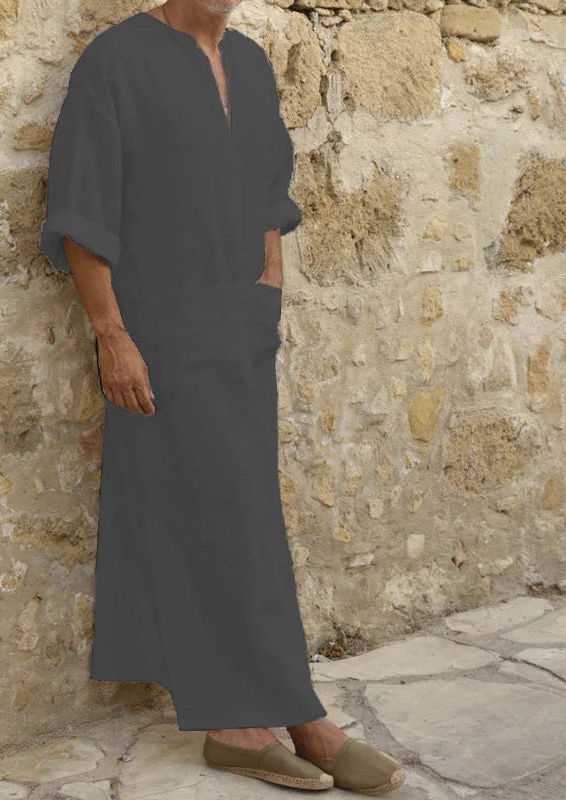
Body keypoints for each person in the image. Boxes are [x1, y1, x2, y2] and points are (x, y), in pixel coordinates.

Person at [38, 0, 405, 793]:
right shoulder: (118, 60)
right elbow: (82, 202)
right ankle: (265, 718)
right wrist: (112, 333)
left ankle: (271, 706)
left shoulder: (250, 63)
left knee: (242, 510)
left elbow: (268, 185)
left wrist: (268, 282)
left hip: (239, 325)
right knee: (205, 513)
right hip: (159, 330)